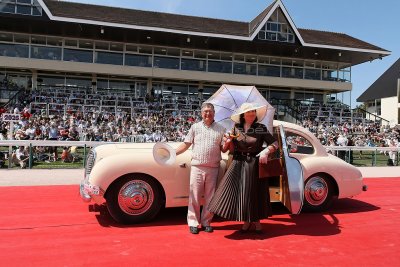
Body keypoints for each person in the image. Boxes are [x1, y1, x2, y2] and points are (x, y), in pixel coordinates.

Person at [209, 102, 278, 234]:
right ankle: (246, 220)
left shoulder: (260, 128)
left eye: (253, 112)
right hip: (238, 162)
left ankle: (255, 221)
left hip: (253, 164)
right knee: (239, 193)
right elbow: (230, 149)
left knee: (253, 193)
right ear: (243, 115)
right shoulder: (236, 128)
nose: (251, 114)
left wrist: (266, 151)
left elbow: (274, 143)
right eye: (248, 112)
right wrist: (229, 141)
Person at [175, 102, 227, 234]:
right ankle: (193, 222)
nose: (208, 113)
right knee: (194, 195)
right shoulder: (195, 127)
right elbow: (186, 144)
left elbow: (223, 148)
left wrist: (229, 142)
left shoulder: (221, 129)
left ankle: (206, 221)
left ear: (214, 113)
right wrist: (172, 153)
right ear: (201, 113)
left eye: (210, 111)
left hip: (213, 167)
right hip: (197, 166)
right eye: (205, 111)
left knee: (210, 196)